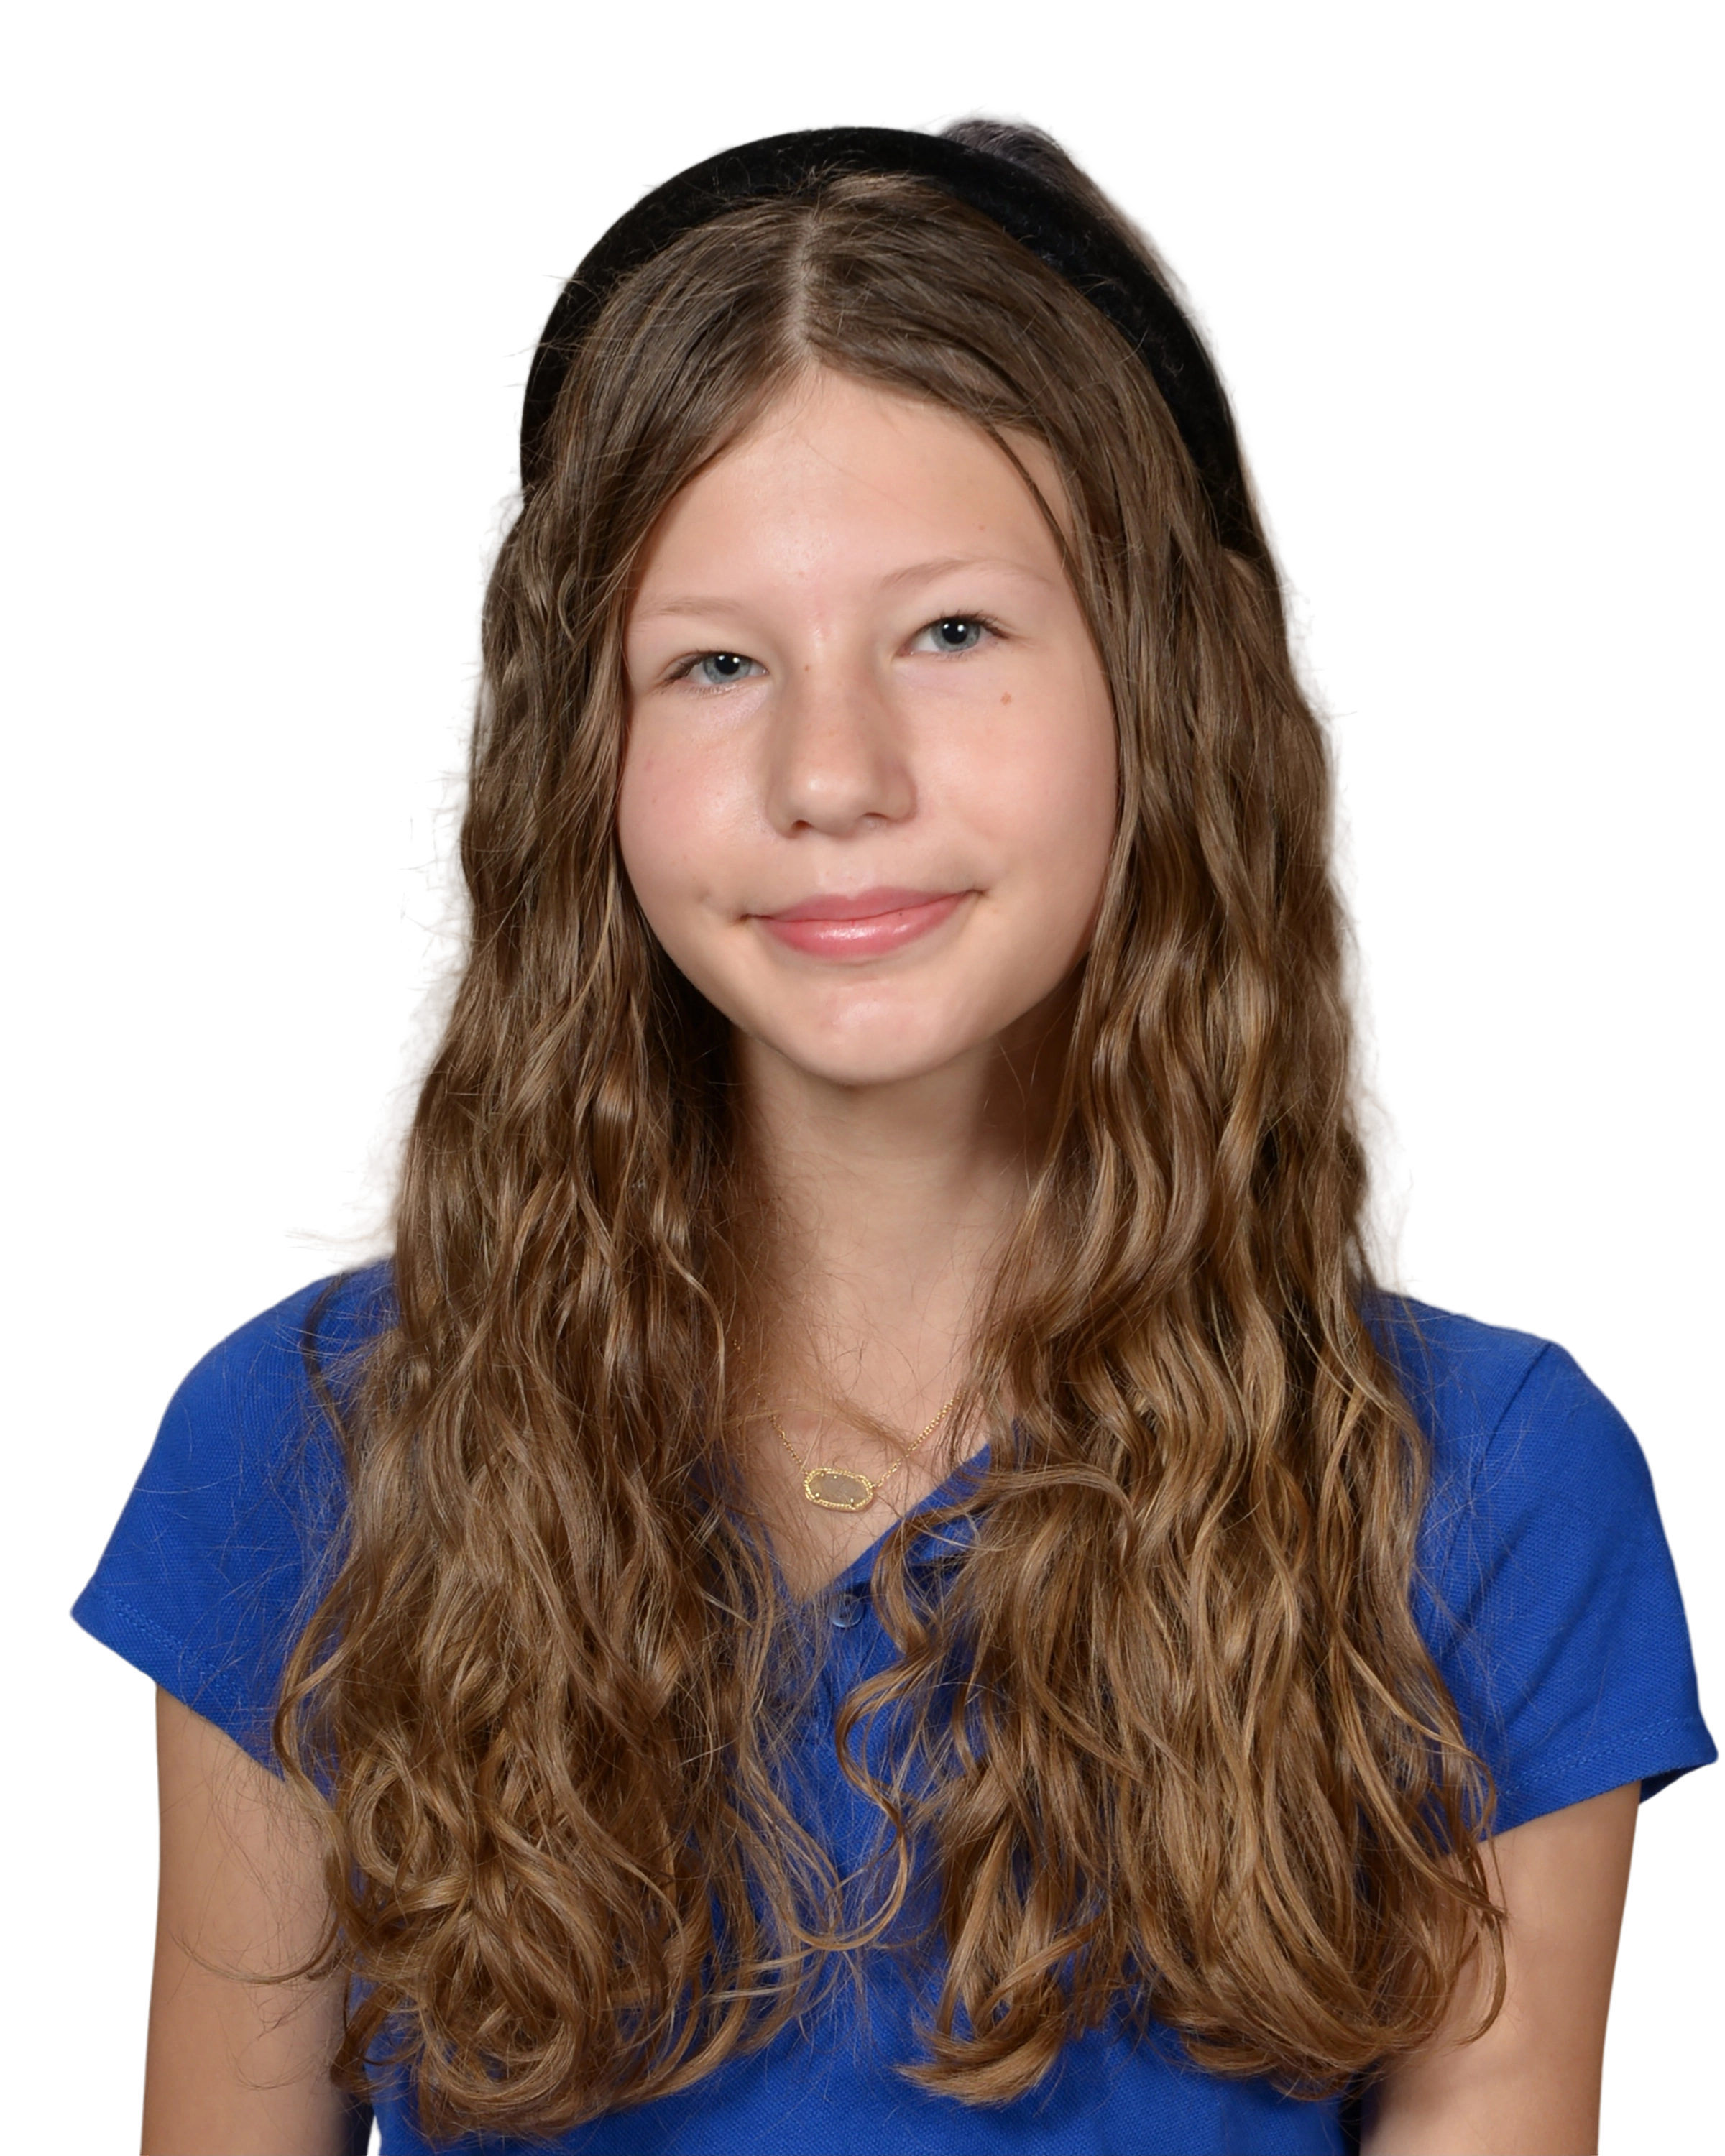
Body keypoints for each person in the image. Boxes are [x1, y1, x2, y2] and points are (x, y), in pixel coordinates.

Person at [68, 107, 1715, 2156]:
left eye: (950, 632)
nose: (831, 772)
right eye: (714, 662)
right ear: (586, 755)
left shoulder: (1485, 1494)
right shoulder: (301, 1456)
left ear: (1166, 685)